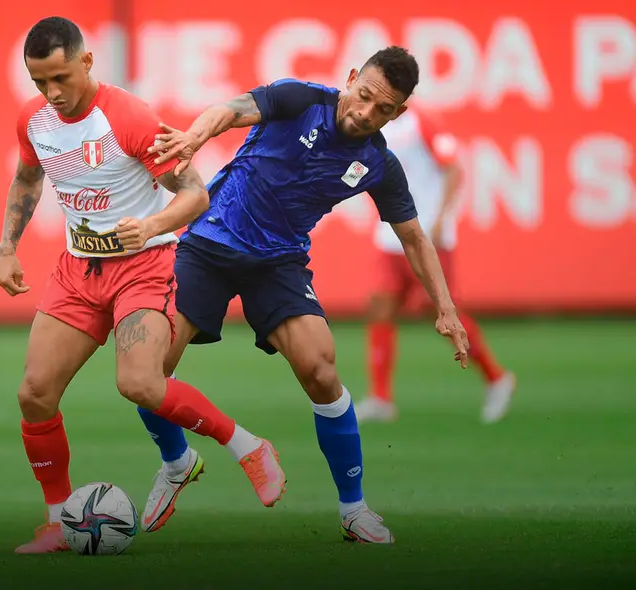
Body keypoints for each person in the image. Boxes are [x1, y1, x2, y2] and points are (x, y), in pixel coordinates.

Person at [131, 46, 471, 544]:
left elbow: (415, 237)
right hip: (210, 242)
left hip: (279, 262)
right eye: (364, 96)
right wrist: (192, 138)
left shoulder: (378, 162)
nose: (365, 113)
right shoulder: (299, 99)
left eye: (383, 109)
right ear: (351, 78)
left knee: (321, 368)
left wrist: (447, 309)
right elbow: (229, 111)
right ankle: (176, 460)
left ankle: (354, 510)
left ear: (399, 113)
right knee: (149, 369)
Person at [0, 16, 286, 555]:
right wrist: (7, 247)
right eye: (40, 82)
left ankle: (247, 446)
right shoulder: (33, 121)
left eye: (61, 77)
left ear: (86, 62)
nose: (52, 93)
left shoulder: (128, 118)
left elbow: (196, 194)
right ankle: (59, 522)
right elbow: (28, 176)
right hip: (79, 272)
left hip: (144, 267)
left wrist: (151, 226)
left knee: (140, 384)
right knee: (34, 394)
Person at [356, 106, 516, 425]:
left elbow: (454, 168)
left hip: (426, 234)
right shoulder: (373, 125)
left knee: (438, 311)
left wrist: (443, 217)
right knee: (380, 307)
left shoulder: (420, 123)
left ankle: (496, 378)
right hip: (390, 235)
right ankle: (381, 397)